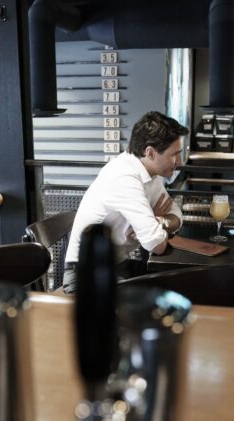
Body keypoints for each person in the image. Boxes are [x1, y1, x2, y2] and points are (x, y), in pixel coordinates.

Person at [62, 111, 188, 294]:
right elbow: (156, 245)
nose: (180, 161)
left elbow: (176, 215)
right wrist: (157, 226)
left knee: (175, 290)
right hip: (87, 275)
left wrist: (159, 221)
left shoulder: (150, 174)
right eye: (174, 154)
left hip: (117, 265)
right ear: (150, 153)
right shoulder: (124, 176)